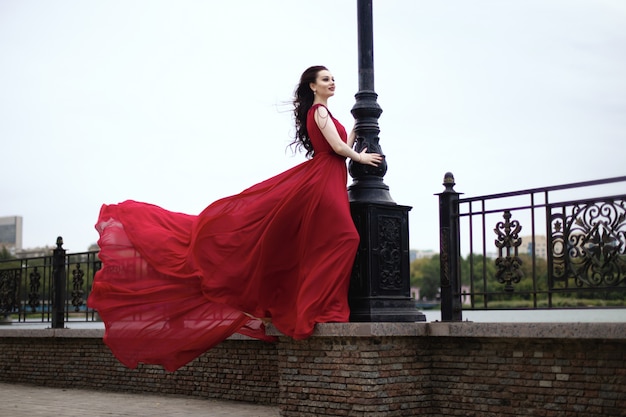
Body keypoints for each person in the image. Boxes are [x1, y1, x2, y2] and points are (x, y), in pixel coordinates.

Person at [87, 65, 382, 372]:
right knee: (346, 238)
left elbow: (339, 139)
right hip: (323, 180)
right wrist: (361, 157)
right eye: (325, 79)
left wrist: (358, 131)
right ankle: (320, 308)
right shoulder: (319, 112)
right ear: (312, 86)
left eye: (333, 79)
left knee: (322, 241)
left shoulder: (325, 115)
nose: (332, 82)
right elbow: (336, 147)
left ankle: (317, 305)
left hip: (329, 178)